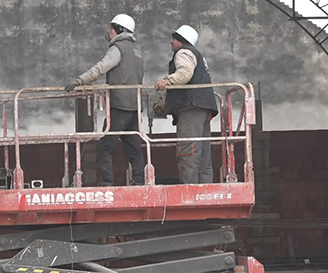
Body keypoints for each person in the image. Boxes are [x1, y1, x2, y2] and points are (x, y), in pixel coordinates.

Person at [65, 14, 145, 186]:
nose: (108, 32)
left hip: (119, 105)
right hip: (135, 107)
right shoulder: (137, 52)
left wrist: (79, 80)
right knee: (134, 147)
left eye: (111, 28)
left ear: (119, 30)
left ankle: (108, 182)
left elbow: (101, 68)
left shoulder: (118, 48)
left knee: (104, 146)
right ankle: (140, 181)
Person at [154, 25, 219, 184]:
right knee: (203, 155)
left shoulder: (184, 53)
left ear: (182, 41)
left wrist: (167, 81)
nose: (171, 42)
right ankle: (205, 191)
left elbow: (184, 74)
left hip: (191, 109)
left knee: (188, 152)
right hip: (203, 108)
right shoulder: (198, 55)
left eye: (174, 39)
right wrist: (166, 106)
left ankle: (190, 191)